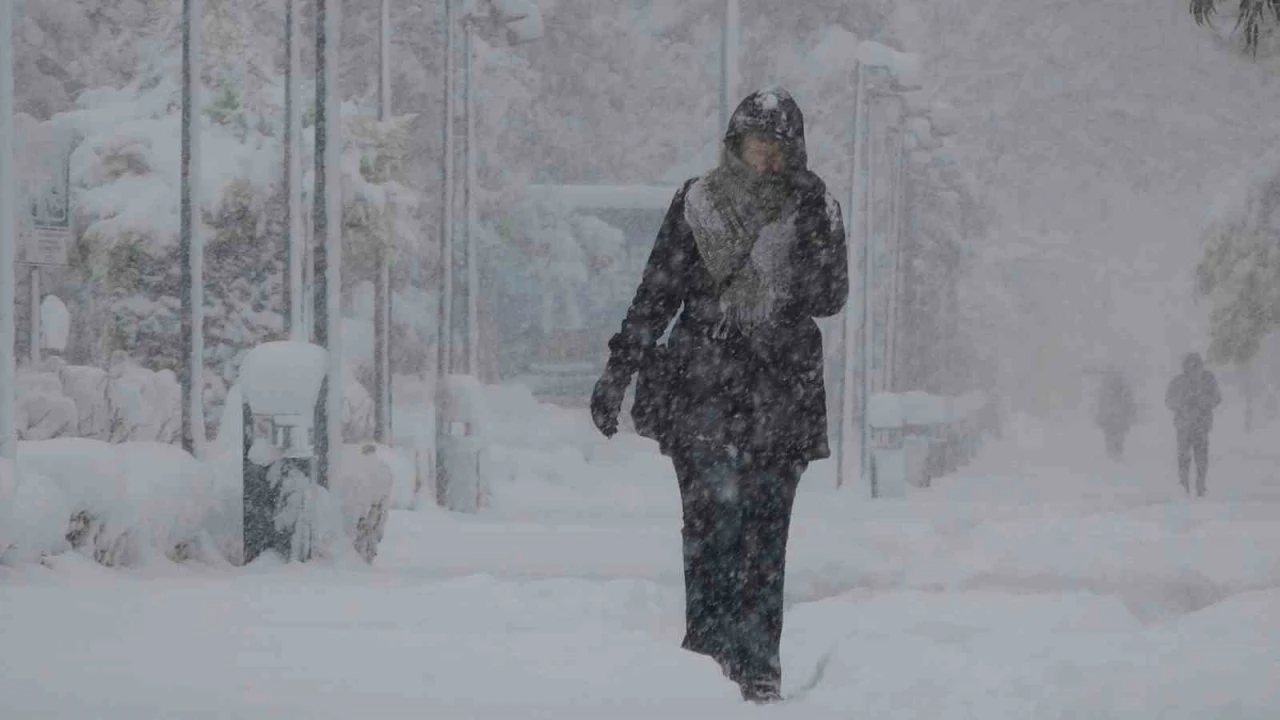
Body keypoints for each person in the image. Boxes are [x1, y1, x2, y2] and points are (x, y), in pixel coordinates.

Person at [589, 88, 847, 704]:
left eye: (777, 150)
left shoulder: (816, 206)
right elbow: (659, 291)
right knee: (708, 535)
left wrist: (801, 241)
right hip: (702, 388)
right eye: (755, 146)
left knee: (763, 539)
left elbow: (830, 297)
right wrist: (618, 370)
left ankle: (758, 667)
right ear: (735, 145)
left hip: (781, 394)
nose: (765, 160)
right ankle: (705, 664)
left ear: (795, 152)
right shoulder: (697, 201)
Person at [1165, 352, 1221, 496]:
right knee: (1184, 457)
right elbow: (1169, 401)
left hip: (1201, 425)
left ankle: (1201, 486)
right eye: (1190, 367)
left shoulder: (1208, 379)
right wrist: (1183, 403)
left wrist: (1204, 401)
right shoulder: (1178, 381)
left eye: (1196, 367)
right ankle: (1184, 486)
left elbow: (1217, 398)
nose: (1194, 371)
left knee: (1201, 457)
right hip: (1184, 425)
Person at [1095, 369, 1136, 460]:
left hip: (1114, 419)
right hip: (1116, 419)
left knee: (1113, 437)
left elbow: (1101, 405)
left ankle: (1114, 454)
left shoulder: (1108, 390)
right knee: (1117, 438)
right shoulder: (1124, 391)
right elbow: (1130, 405)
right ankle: (1115, 454)